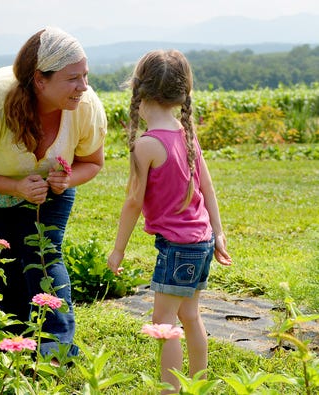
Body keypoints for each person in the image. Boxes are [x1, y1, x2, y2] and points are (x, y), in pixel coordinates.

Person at [0, 27, 107, 359]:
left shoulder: (85, 105)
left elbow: (92, 162)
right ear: (40, 80)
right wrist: (15, 187)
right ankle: (15, 344)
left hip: (49, 188)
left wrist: (67, 180)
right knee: (5, 261)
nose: (84, 86)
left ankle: (56, 347)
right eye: (73, 78)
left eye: (85, 75)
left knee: (44, 255)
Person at [106, 49, 233, 393]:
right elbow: (208, 186)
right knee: (189, 317)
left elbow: (133, 202)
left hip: (178, 248)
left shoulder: (146, 145)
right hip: (201, 242)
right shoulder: (185, 132)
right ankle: (198, 385)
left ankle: (170, 390)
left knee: (164, 323)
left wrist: (118, 249)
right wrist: (218, 233)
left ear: (138, 88)